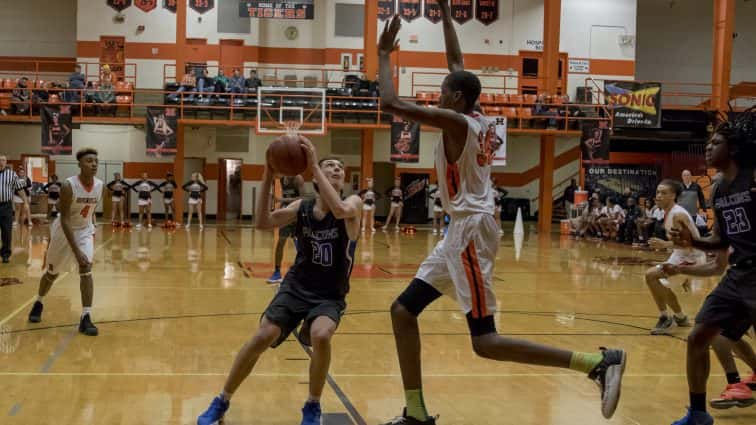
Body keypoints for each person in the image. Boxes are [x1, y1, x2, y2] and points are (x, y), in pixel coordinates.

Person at [377, 12, 625, 425]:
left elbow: (390, 103)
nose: (438, 96)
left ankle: (596, 363)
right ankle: (416, 413)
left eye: (442, 92)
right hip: (460, 229)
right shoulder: (477, 114)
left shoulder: (457, 122)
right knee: (403, 311)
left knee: (485, 342)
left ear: (455, 99)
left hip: (471, 230)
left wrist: (385, 55)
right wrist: (443, 12)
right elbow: (457, 64)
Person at [196, 139, 362, 425]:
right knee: (262, 336)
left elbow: (338, 211)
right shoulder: (303, 207)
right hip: (297, 286)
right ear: (316, 174)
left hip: (329, 293)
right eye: (329, 165)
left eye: (339, 168)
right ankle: (222, 400)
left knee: (321, 336)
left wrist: (313, 166)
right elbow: (262, 222)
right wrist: (268, 175)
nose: (336, 169)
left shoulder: (353, 204)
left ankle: (312, 405)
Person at [669, 108, 756, 425]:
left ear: (732, 148)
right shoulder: (718, 188)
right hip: (738, 274)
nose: (707, 148)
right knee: (698, 337)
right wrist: (694, 243)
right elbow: (720, 241)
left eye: (715, 142)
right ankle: (698, 414)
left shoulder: (754, 177)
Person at [27, 148, 103, 336]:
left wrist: (89, 231)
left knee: (86, 269)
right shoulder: (69, 185)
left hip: (84, 230)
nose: (93, 164)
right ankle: (38, 302)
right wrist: (76, 251)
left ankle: (86, 317)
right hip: (64, 231)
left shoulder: (100, 185)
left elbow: (90, 210)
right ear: (79, 164)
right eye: (89, 161)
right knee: (52, 273)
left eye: (96, 161)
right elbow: (65, 219)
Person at [643, 180, 707, 335]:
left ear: (673, 196)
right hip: (681, 255)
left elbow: (690, 244)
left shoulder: (678, 215)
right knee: (661, 284)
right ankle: (680, 317)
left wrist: (665, 244)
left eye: (663, 193)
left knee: (651, 276)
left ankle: (665, 318)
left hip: (692, 257)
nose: (658, 196)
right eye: (658, 192)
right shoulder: (669, 212)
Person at [266, 175, 305, 284]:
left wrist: (281, 199)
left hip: (297, 214)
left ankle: (304, 271)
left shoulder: (298, 178)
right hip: (287, 213)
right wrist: (279, 209)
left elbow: (302, 198)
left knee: (300, 244)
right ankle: (277, 272)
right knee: (280, 242)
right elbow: (286, 196)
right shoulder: (282, 179)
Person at [0, 155, 26, 263]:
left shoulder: (12, 175)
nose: (1, 162)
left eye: (3, 160)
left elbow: (19, 189)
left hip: (6, 206)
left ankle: (5, 254)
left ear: (6, 162)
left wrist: (26, 202)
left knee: (7, 231)